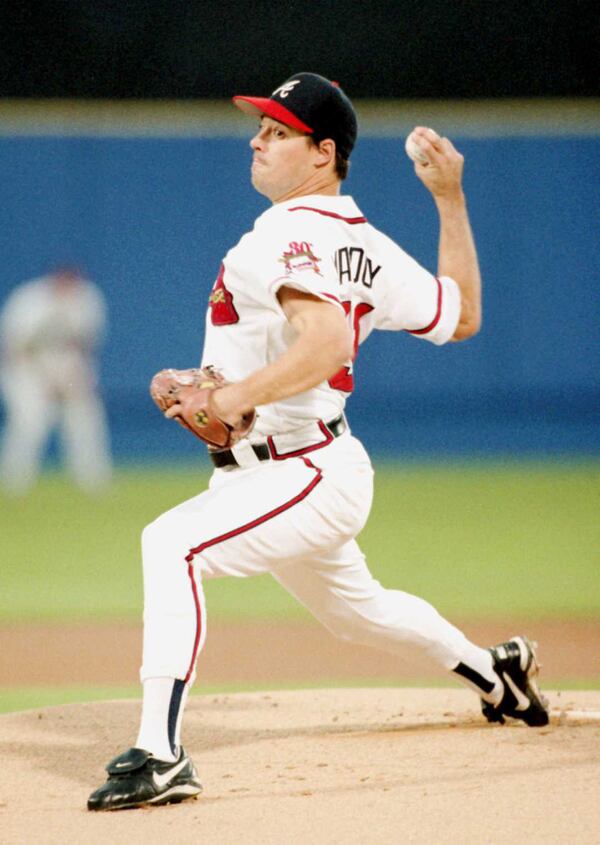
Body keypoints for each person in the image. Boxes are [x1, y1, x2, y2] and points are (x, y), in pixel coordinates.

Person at [88, 73, 549, 811]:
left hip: (300, 467)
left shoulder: (286, 231)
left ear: (322, 153)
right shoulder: (362, 242)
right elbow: (461, 315)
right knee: (356, 610)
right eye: (261, 128)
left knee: (169, 544)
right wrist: (450, 199)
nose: (257, 140)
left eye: (277, 132)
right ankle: (496, 673)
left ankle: (160, 752)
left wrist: (232, 394)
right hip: (296, 467)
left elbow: (329, 337)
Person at [0, 266, 112, 494]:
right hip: (25, 369)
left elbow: (84, 345)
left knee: (85, 419)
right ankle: (13, 482)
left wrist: (74, 376)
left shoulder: (87, 297)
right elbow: (16, 348)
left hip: (66, 366)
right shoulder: (30, 300)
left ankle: (93, 481)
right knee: (31, 422)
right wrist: (45, 380)